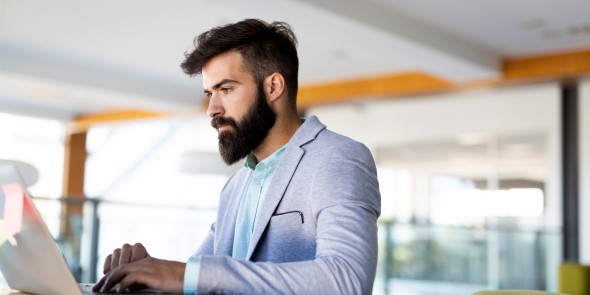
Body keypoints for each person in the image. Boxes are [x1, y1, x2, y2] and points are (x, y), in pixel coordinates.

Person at [93, 18, 381, 295]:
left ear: (273, 87)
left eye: (226, 89)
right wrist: (147, 273)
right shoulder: (234, 187)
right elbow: (199, 279)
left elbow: (347, 280)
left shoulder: (338, 158)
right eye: (209, 93)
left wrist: (185, 276)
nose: (212, 109)